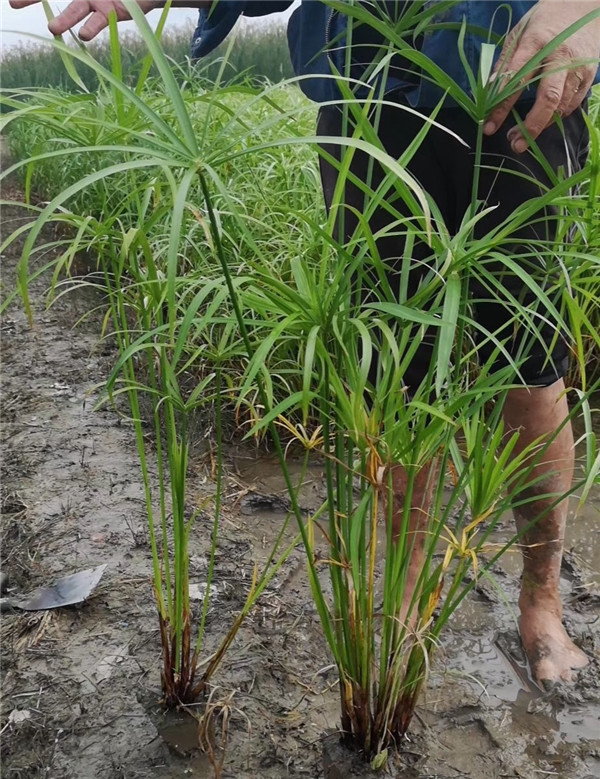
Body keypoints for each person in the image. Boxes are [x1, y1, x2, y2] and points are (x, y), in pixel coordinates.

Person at [10, 0, 600, 688]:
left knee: (529, 372)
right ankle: (404, 598)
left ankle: (541, 598)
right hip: (363, 99)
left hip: (512, 90)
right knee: (397, 381)